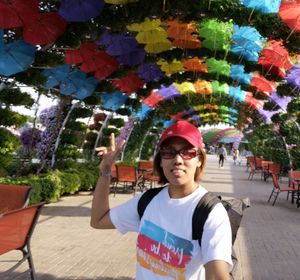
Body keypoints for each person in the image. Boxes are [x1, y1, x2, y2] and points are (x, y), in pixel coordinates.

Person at [91, 121, 232, 279]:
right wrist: (105, 172)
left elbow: (217, 274)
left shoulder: (210, 212)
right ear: (160, 161)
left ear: (199, 159)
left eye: (188, 152)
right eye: (168, 152)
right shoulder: (147, 200)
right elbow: (98, 220)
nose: (178, 159)